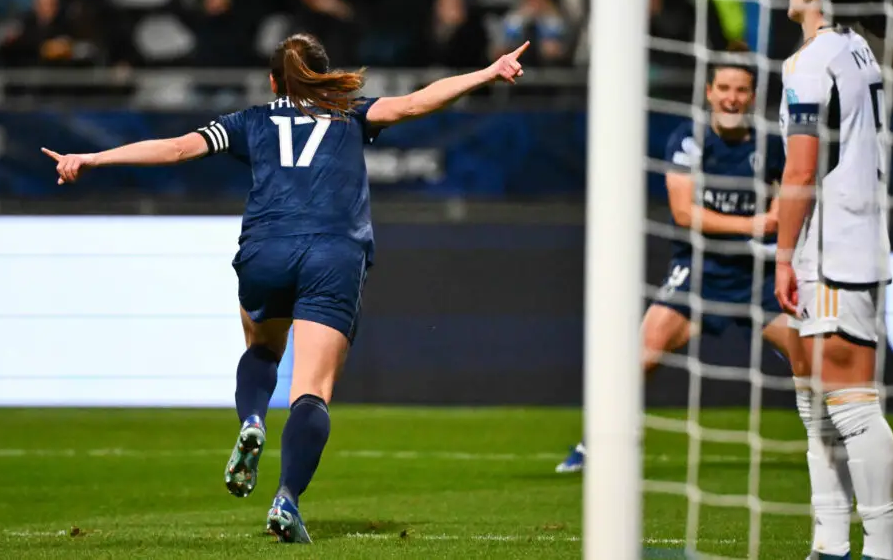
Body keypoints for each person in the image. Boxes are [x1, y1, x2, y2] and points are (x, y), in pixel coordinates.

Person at [42, 33, 530, 543]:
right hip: (332, 254)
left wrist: (93, 158)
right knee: (312, 390)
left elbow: (178, 148)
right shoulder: (350, 113)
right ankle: (287, 499)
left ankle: (252, 418)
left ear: (274, 83)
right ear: (324, 74)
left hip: (266, 250)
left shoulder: (250, 120)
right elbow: (415, 103)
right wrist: (487, 72)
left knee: (262, 348)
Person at [556, 63, 806, 473]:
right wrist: (754, 224)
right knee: (642, 355)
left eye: (741, 90)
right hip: (700, 269)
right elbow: (684, 213)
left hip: (755, 275)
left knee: (810, 356)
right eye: (723, 88)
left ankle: (835, 441)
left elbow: (789, 189)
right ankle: (596, 442)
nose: (731, 98)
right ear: (709, 92)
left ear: (753, 96)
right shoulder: (689, 139)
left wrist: (779, 211)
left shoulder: (769, 143)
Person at [776, 0, 893, 560]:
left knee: (852, 404)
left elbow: (801, 169)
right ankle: (830, 544)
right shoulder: (858, 50)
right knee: (816, 400)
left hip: (833, 249)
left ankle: (883, 549)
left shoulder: (812, 60)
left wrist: (782, 255)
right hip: (853, 235)